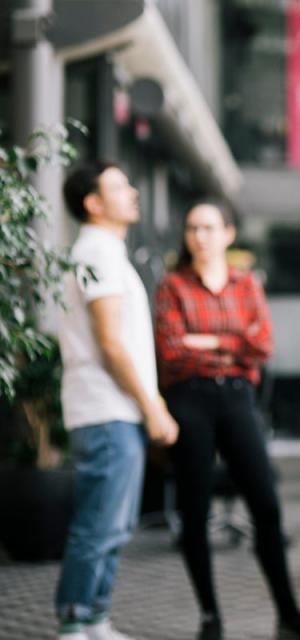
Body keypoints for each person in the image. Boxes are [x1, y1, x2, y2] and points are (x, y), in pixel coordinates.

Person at [153, 202, 300, 640]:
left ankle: (288, 613)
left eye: (209, 227)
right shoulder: (172, 285)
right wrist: (233, 342)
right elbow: (171, 350)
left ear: (228, 234)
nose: (200, 235)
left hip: (236, 397)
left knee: (266, 504)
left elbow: (261, 346)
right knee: (194, 510)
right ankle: (210, 616)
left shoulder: (246, 283)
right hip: (187, 400)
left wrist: (205, 339)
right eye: (193, 227)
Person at [56, 161, 179, 640]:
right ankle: (73, 620)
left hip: (113, 411)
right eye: (119, 186)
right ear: (93, 203)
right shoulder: (98, 254)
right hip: (107, 410)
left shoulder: (106, 251)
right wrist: (153, 407)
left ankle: (93, 618)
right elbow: (110, 343)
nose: (132, 192)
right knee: (100, 524)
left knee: (114, 524)